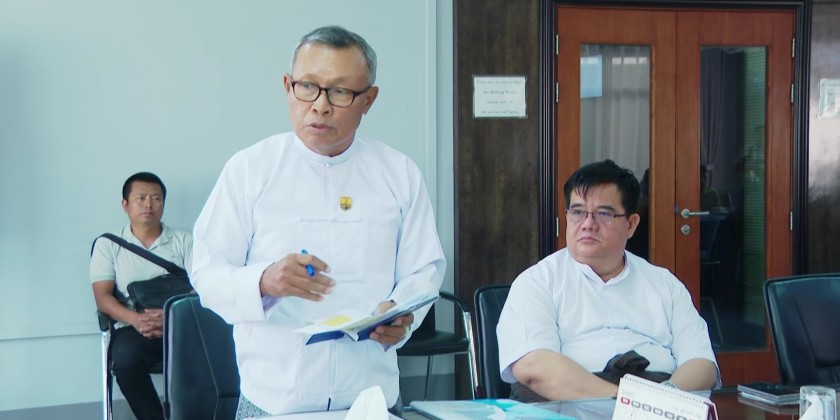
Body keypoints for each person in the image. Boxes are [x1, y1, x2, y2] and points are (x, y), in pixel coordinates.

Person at [190, 26, 446, 418]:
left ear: (369, 99)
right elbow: (206, 272)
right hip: (274, 402)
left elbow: (423, 270)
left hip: (370, 397)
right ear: (288, 86)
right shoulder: (250, 170)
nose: (320, 106)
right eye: (308, 87)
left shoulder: (399, 173)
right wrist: (263, 281)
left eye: (340, 92)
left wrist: (401, 313)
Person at [497, 160, 719, 402]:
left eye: (603, 214)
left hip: (661, 399)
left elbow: (702, 363)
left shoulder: (665, 283)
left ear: (631, 224)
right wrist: (628, 402)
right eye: (578, 212)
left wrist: (662, 399)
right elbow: (534, 366)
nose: (588, 225)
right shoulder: (537, 282)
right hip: (569, 405)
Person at [90, 172, 193, 420]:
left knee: (214, 355)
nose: (149, 204)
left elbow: (202, 287)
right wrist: (136, 320)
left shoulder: (184, 240)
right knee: (125, 361)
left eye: (156, 199)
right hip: (133, 327)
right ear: (125, 204)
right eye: (141, 198)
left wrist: (171, 318)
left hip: (182, 326)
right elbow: (103, 297)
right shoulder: (108, 244)